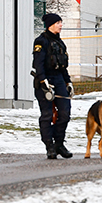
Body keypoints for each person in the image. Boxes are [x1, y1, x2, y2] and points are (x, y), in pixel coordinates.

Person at [32, 13, 73, 159]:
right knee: (47, 114)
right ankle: (49, 145)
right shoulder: (41, 41)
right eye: (58, 23)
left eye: (61, 22)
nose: (61, 25)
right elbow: (38, 64)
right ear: (50, 25)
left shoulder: (60, 43)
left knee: (65, 113)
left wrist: (68, 82)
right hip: (45, 81)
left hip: (59, 79)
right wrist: (44, 82)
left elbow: (62, 66)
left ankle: (59, 143)